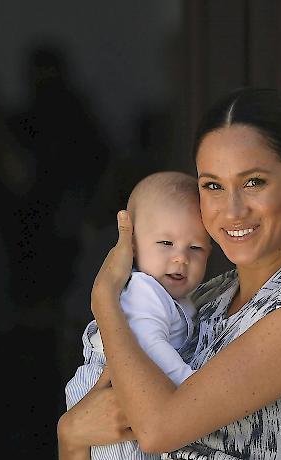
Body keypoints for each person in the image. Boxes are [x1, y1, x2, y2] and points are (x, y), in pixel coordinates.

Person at [57, 87, 281, 460]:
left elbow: (158, 429)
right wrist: (71, 435)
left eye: (254, 182)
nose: (232, 210)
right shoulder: (205, 298)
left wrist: (105, 301)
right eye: (213, 186)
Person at [64, 171, 211, 459]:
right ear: (132, 246)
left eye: (195, 248)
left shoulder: (182, 299)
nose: (181, 257)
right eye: (166, 244)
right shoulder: (145, 290)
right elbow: (150, 346)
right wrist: (192, 389)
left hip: (130, 393)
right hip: (109, 392)